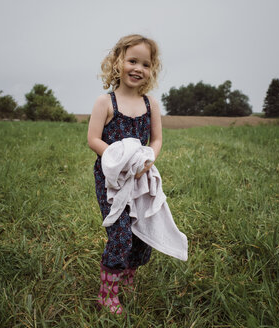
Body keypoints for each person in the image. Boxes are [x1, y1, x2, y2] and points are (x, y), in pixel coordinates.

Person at [87, 34, 163, 314]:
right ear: (118, 61)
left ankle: (127, 277)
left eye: (145, 63)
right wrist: (120, 158)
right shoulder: (105, 102)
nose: (137, 68)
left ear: (151, 70)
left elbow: (156, 140)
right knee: (120, 234)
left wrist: (147, 158)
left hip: (141, 178)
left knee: (142, 232)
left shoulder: (151, 104)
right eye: (132, 60)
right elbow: (93, 139)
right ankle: (107, 294)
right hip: (112, 179)